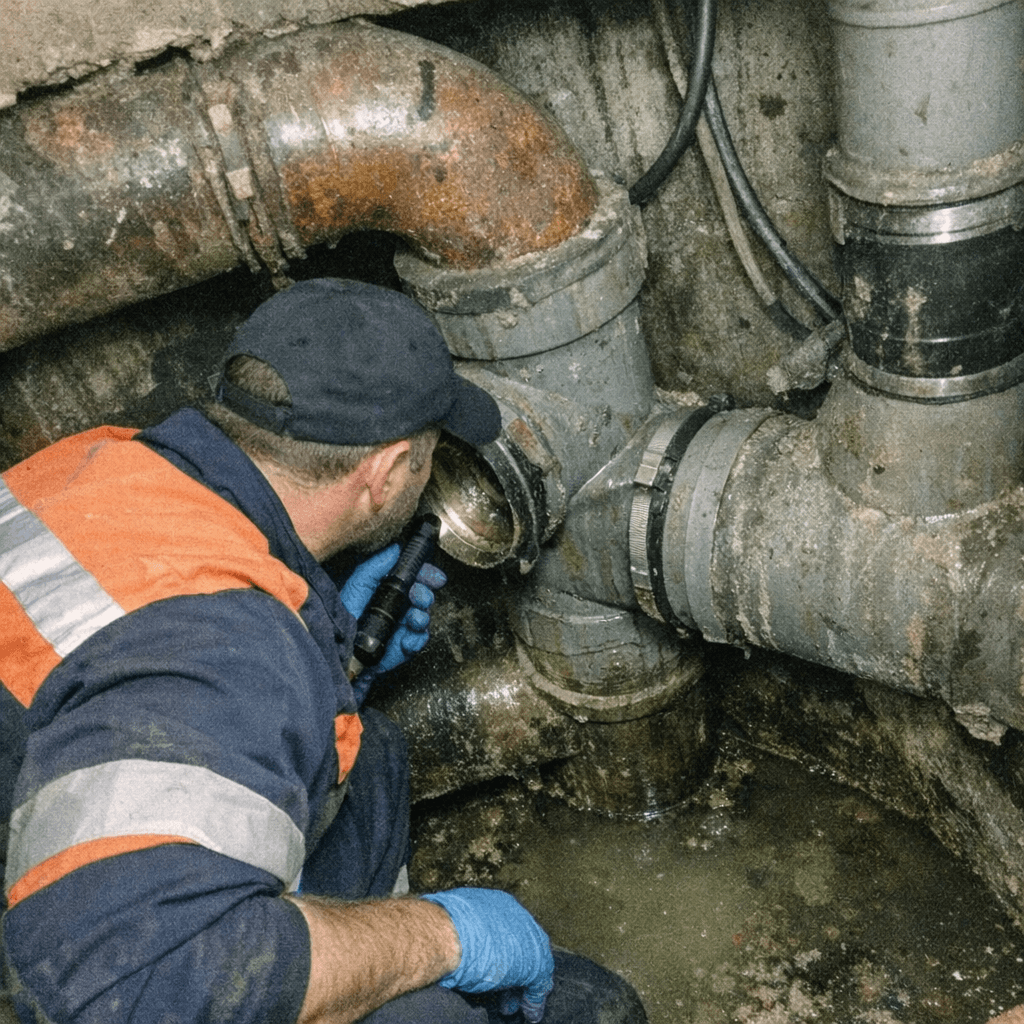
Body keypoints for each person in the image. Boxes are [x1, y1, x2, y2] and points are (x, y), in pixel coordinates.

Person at [0, 278, 647, 1024]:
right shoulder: (231, 649)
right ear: (382, 473)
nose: (424, 480)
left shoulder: (99, 461)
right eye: (426, 462)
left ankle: (345, 957)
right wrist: (441, 939)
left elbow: (120, 671)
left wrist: (326, 650)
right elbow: (130, 994)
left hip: (51, 836)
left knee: (367, 756)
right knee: (534, 1012)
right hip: (74, 971)